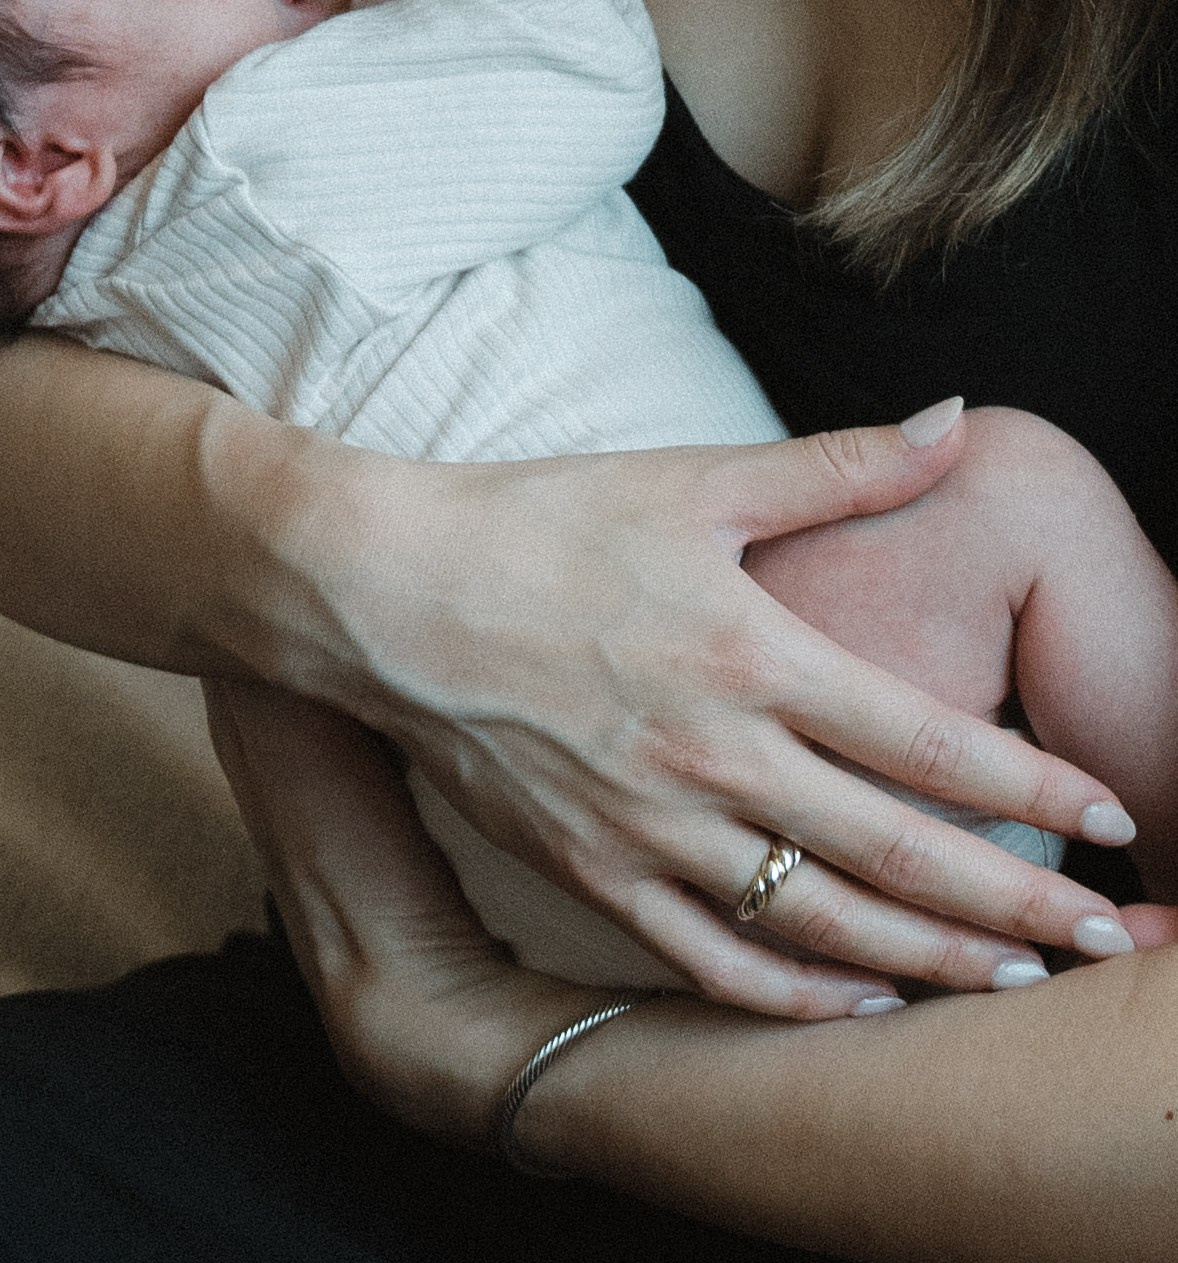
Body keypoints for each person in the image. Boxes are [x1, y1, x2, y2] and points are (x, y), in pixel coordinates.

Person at [0, 0, 1177, 1263]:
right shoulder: (301, 129)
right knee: (1015, 483)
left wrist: (494, 1050)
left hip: (811, 1114)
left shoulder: (117, 250)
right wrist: (348, 562)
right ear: (41, 166)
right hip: (753, 897)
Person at [5, 0, 1174, 993]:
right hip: (785, 754)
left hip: (512, 900)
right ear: (37, 166)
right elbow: (595, 65)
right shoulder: (265, 151)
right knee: (1017, 485)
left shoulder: (94, 312)